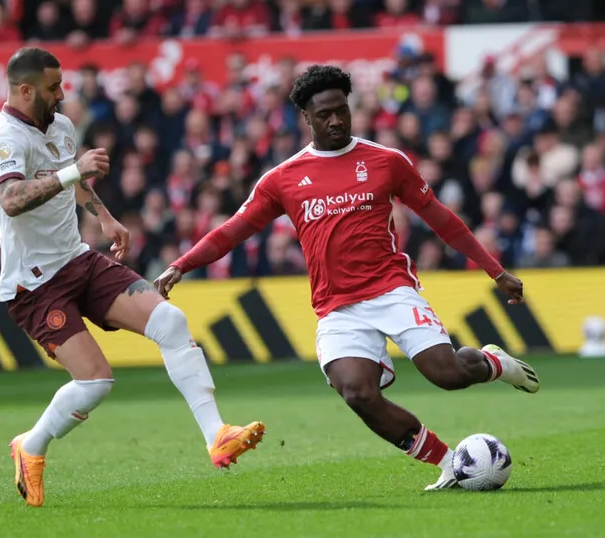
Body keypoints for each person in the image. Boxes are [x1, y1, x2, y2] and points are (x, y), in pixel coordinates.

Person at [154, 65, 540, 491]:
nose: (335, 120)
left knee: (446, 375)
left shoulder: (386, 161)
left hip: (392, 290)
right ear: (307, 118)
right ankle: (450, 464)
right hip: (337, 307)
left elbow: (440, 219)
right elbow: (233, 229)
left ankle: (491, 362)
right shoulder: (283, 179)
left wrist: (496, 271)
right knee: (357, 393)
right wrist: (181, 264)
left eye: (342, 111)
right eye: (324, 115)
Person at [0, 48, 265, 508]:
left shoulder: (60, 126)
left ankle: (217, 435)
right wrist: (76, 169)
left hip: (77, 260)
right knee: (95, 383)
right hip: (34, 284)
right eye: (53, 87)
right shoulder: (3, 138)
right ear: (25, 90)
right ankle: (30, 445)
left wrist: (105, 218)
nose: (62, 92)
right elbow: (12, 199)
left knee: (170, 323)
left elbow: (73, 181)